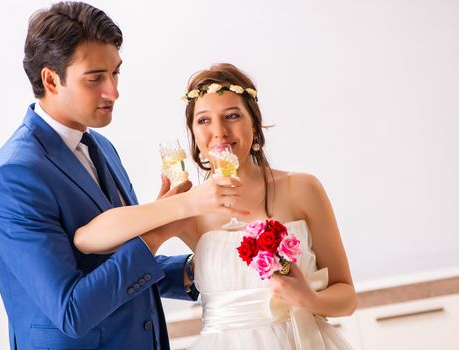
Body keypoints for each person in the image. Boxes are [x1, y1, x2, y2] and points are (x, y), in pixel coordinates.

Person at [0, 3, 244, 349]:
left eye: (116, 73)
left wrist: (196, 270)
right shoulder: (12, 177)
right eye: (96, 77)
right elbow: (73, 309)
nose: (113, 91)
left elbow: (112, 264)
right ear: (51, 79)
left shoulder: (100, 147)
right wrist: (159, 229)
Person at [74, 63, 357, 349]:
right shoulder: (191, 208)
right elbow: (87, 239)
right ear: (194, 136)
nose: (219, 131)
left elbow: (347, 295)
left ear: (254, 125)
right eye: (204, 120)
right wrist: (168, 208)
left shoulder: (303, 189)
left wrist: (310, 299)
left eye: (232, 116)